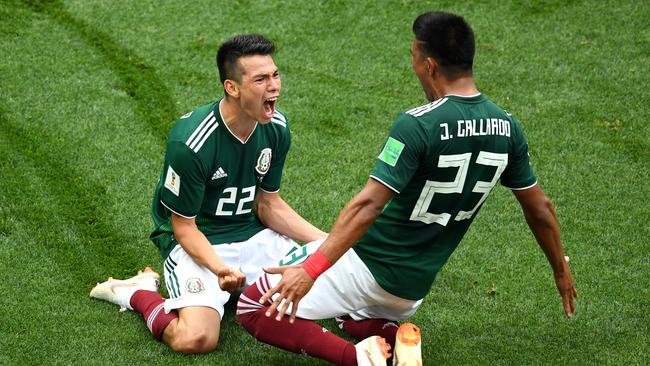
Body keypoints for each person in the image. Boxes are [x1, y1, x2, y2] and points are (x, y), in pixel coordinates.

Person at [235, 11, 578, 366]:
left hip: (368, 266)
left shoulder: (419, 124)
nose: (413, 66)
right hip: (412, 290)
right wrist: (559, 269)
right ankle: (392, 335)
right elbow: (540, 209)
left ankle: (358, 360)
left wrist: (311, 270)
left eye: (413, 58)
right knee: (346, 315)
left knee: (254, 305)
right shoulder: (508, 127)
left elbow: (367, 206)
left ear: (429, 64)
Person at [90, 34, 326, 354]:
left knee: (330, 288)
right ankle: (139, 292)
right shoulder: (191, 143)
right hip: (200, 243)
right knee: (195, 339)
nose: (274, 86)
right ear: (232, 87)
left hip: (255, 238)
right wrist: (220, 269)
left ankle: (238, 293)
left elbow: (269, 204)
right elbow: (183, 226)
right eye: (260, 79)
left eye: (275, 74)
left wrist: (327, 243)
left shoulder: (277, 127)